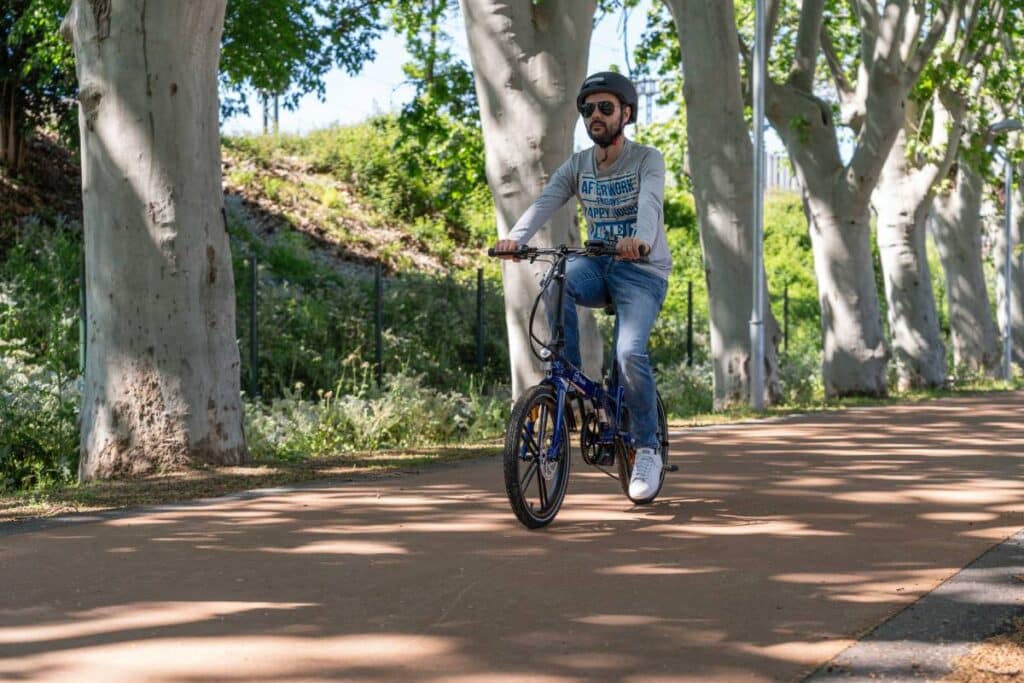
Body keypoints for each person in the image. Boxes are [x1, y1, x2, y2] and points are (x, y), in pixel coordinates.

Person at [493, 71, 671, 501]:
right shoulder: (578, 166)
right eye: (588, 109)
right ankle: (567, 379)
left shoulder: (647, 159)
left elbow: (649, 202)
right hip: (596, 265)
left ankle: (646, 446)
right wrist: (516, 239)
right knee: (553, 278)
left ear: (625, 114)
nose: (596, 115)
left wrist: (640, 238)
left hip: (642, 270)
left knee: (629, 352)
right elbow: (546, 201)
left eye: (605, 108)